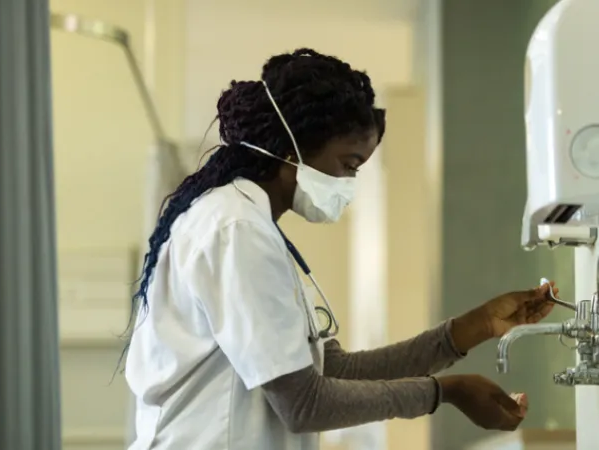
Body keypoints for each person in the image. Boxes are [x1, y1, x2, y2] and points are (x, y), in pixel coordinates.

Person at [124, 48, 558, 450]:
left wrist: (475, 326)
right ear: (293, 147)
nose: (349, 185)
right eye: (348, 165)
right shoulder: (236, 230)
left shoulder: (251, 227)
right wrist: (445, 392)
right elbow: (304, 405)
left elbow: (335, 372)